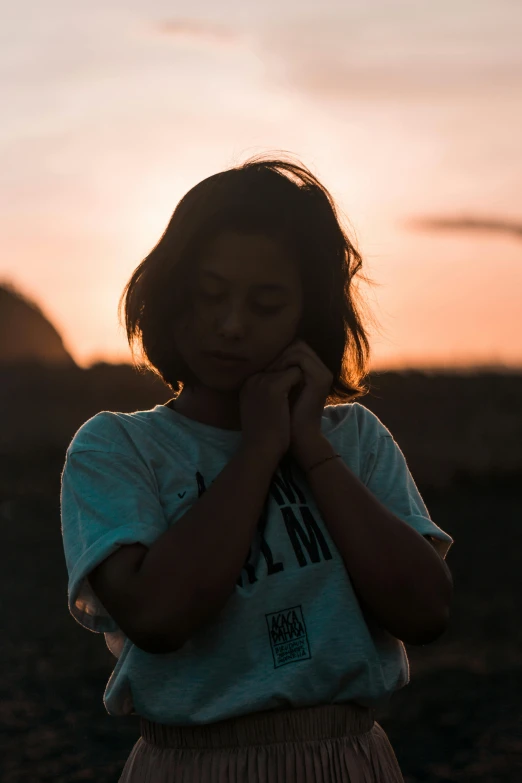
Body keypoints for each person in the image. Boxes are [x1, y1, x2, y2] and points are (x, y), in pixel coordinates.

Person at [60, 152, 454, 782]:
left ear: (309, 315)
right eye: (208, 295)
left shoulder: (352, 440)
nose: (231, 325)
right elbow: (159, 615)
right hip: (191, 764)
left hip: (347, 759)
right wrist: (259, 449)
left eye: (266, 304)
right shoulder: (116, 448)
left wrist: (310, 446)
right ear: (169, 293)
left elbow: (424, 609)